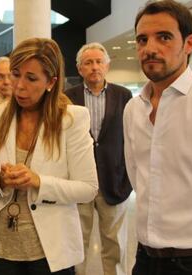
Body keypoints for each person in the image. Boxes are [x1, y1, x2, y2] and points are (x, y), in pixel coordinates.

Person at [0, 37, 99, 275]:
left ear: (51, 82)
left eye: (31, 79)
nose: (19, 86)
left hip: (50, 251)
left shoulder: (72, 119)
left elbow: (88, 188)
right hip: (0, 248)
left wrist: (38, 181)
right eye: (15, 74)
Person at [124, 1, 192, 274]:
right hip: (145, 258)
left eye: (164, 37)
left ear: (189, 44)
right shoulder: (133, 109)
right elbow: (137, 176)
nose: (150, 48)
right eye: (142, 39)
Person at [65, 42, 132, 275]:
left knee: (115, 245)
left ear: (107, 65)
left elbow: (130, 137)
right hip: (79, 182)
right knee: (77, 243)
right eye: (88, 63)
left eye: (99, 61)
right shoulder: (67, 98)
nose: (94, 67)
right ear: (79, 68)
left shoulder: (123, 95)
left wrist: (129, 178)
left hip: (114, 182)